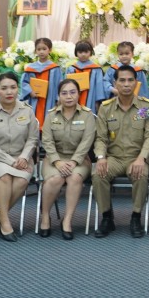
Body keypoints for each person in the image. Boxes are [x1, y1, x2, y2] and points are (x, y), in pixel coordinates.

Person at [92, 65, 149, 238]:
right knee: (98, 174)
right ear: (115, 83)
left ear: (136, 82)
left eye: (130, 80)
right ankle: (107, 217)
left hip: (137, 157)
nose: (126, 84)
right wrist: (101, 158)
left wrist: (142, 158)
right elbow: (100, 138)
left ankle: (136, 217)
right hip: (113, 158)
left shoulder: (146, 107)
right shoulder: (106, 108)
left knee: (140, 174)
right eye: (122, 80)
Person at [0, 72, 39, 242]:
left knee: (21, 180)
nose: (9, 92)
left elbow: (32, 139)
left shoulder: (27, 110)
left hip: (22, 157)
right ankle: (5, 221)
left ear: (17, 89)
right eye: (4, 88)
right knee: (5, 177)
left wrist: (24, 157)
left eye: (13, 87)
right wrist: (11, 162)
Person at [38, 78, 95, 240]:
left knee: (74, 178)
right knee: (55, 179)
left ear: (79, 94)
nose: (69, 96)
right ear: (58, 96)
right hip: (54, 158)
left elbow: (87, 141)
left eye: (72, 92)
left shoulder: (87, 115)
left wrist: (74, 161)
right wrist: (57, 161)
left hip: (79, 159)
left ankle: (67, 220)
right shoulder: (51, 115)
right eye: (64, 93)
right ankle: (45, 217)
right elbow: (47, 141)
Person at [20, 37, 61, 129]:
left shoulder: (55, 68)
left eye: (44, 49)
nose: (41, 52)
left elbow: (59, 84)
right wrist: (30, 91)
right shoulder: (31, 68)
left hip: (50, 99)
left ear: (50, 50)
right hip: (35, 99)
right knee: (34, 122)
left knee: (48, 121)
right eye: (39, 49)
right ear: (35, 51)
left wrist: (58, 98)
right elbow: (24, 82)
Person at [65, 39, 106, 110]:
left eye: (86, 52)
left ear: (91, 53)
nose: (83, 54)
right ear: (76, 53)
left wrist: (98, 101)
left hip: (91, 99)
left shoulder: (96, 69)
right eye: (80, 52)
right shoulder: (71, 69)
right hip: (73, 99)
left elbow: (99, 87)